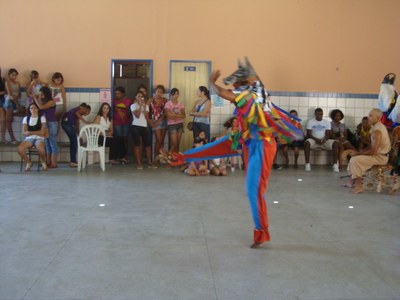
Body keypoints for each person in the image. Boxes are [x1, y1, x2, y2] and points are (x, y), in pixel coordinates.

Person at [209, 58, 302, 248]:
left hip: (262, 145)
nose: (234, 86)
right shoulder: (256, 93)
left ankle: (261, 232)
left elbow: (225, 93)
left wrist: (211, 83)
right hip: (252, 144)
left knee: (255, 191)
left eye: (237, 83)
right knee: (253, 190)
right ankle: (261, 231)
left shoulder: (252, 95)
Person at [346, 109, 391, 193]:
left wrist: (358, 153)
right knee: (356, 157)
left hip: (381, 158)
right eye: (369, 115)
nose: (368, 117)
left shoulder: (377, 130)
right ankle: (351, 181)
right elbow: (371, 146)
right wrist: (360, 152)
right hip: (379, 155)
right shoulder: (376, 127)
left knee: (355, 160)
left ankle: (359, 186)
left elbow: (373, 151)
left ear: (378, 118)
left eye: (371, 116)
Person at [304, 107, 340, 172]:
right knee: (307, 143)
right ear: (315, 114)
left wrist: (325, 139)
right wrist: (316, 139)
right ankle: (307, 164)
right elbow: (309, 134)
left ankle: (335, 165)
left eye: (321, 114)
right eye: (318, 114)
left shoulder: (326, 122)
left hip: (324, 141)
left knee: (335, 143)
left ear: (322, 114)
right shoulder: (310, 121)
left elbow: (329, 134)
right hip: (314, 141)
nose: (319, 116)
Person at [32, 86, 59, 168]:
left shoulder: (51, 102)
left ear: (46, 94)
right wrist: (37, 98)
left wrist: (35, 98)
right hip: (45, 124)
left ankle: (54, 163)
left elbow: (41, 107)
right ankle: (47, 162)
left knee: (52, 143)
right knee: (47, 143)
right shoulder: (42, 101)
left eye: (42, 95)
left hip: (52, 123)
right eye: (39, 94)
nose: (40, 96)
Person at [17, 102, 47, 171]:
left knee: (41, 149)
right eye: (31, 108)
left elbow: (42, 132)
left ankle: (43, 162)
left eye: (35, 108)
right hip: (29, 139)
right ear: (29, 110)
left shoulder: (42, 118)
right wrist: (35, 133)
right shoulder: (26, 118)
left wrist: (29, 132)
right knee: (20, 149)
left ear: (38, 109)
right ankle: (28, 162)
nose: (33, 110)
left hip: (39, 138)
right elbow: (23, 132)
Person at [61, 103, 91, 167]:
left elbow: (77, 126)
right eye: (88, 113)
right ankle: (73, 161)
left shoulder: (78, 115)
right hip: (67, 123)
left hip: (65, 123)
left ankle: (73, 161)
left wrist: (79, 136)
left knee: (74, 141)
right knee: (74, 142)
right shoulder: (83, 108)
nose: (87, 114)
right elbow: (76, 113)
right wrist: (85, 122)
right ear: (88, 110)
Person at [131, 91, 154, 169]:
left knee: (147, 145)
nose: (140, 98)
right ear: (136, 97)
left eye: (142, 96)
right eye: (138, 96)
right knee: (137, 145)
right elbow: (137, 116)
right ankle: (138, 163)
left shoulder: (146, 106)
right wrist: (140, 106)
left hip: (144, 126)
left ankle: (149, 162)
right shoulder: (133, 106)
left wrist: (144, 106)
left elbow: (146, 117)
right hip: (135, 127)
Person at [112, 86, 131, 164]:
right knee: (119, 139)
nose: (117, 95)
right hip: (117, 122)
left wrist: (118, 108)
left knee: (125, 139)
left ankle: (125, 155)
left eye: (119, 93)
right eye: (116, 93)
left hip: (126, 122)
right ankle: (120, 155)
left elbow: (126, 108)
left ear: (123, 94)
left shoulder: (128, 101)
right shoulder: (113, 101)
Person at [150, 85, 167, 165]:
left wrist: (159, 120)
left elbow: (165, 112)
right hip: (155, 122)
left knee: (162, 141)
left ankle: (160, 158)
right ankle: (155, 159)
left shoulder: (165, 100)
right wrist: (150, 121)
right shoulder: (151, 99)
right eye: (157, 91)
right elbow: (147, 111)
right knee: (158, 140)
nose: (159, 93)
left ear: (163, 93)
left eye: (161, 92)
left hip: (163, 121)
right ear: (155, 92)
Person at [165, 88, 186, 152]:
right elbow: (168, 116)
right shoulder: (168, 103)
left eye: (177, 94)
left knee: (177, 144)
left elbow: (184, 115)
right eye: (174, 94)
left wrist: (173, 115)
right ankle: (169, 158)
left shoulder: (181, 104)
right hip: (172, 125)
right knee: (174, 144)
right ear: (171, 94)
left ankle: (176, 159)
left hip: (180, 124)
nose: (176, 95)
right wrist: (179, 116)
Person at [4, 68, 21, 143]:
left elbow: (19, 94)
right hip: (9, 101)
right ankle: (12, 138)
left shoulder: (18, 82)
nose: (14, 77)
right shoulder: (7, 82)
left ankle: (14, 138)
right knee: (8, 120)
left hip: (16, 101)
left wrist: (17, 99)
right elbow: (10, 94)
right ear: (9, 75)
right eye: (12, 75)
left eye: (15, 75)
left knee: (12, 120)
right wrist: (17, 103)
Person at [0, 68, 6, 143]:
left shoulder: (2, 79)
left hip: (2, 101)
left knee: (3, 121)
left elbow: (5, 91)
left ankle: (3, 138)